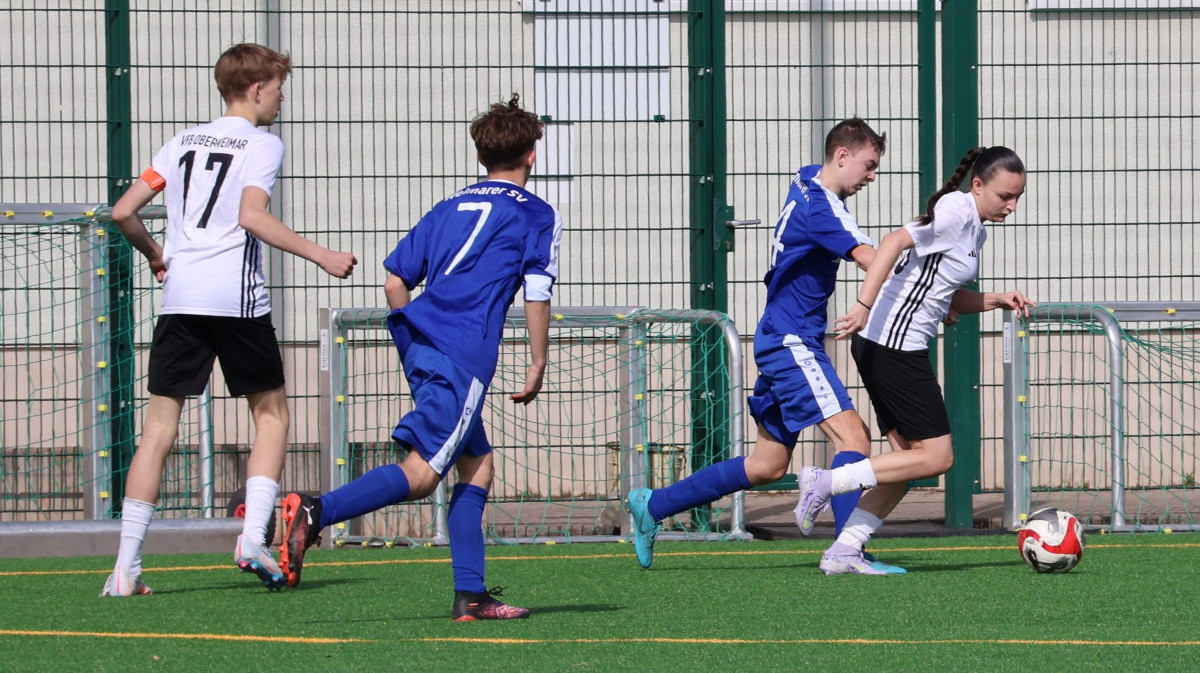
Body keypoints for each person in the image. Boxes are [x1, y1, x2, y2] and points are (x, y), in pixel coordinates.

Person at [277, 94, 562, 621]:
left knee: (478, 467)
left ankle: (471, 596)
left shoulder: (447, 207)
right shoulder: (538, 215)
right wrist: (538, 361)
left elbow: (393, 283)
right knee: (425, 474)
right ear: (531, 155)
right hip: (464, 351)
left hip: (421, 340)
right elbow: (537, 292)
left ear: (482, 156)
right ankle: (317, 511)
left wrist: (418, 343)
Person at [100, 43, 358, 596]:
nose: (282, 97)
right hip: (235, 301)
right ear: (258, 88)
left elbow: (123, 211)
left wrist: (154, 254)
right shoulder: (263, 143)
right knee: (272, 415)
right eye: (279, 87)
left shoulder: (182, 142)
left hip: (180, 299)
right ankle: (251, 537)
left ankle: (125, 568)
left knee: (159, 428)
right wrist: (323, 255)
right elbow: (251, 215)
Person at [626, 118, 890, 570]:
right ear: (842, 156)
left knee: (767, 464)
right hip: (792, 340)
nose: (871, 176)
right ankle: (849, 551)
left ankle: (653, 505)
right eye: (868, 165)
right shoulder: (823, 208)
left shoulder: (808, 179)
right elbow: (872, 259)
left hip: (778, 335)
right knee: (855, 438)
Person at [794, 146, 1035, 574]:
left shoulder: (973, 227)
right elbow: (892, 242)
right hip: (893, 347)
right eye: (1004, 196)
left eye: (1017, 197)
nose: (1011, 206)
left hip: (884, 344)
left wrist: (996, 298)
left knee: (904, 459)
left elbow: (939, 289)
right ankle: (826, 482)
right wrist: (864, 304)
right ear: (977, 185)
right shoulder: (956, 212)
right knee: (937, 457)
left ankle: (845, 549)